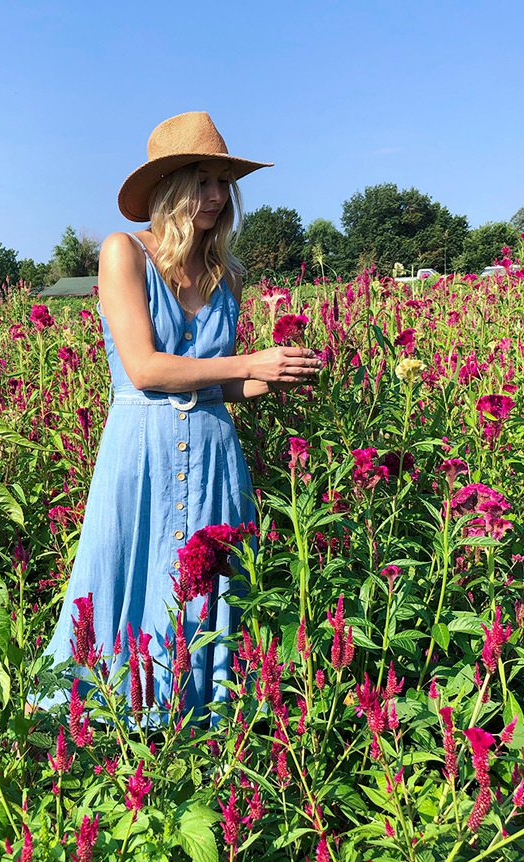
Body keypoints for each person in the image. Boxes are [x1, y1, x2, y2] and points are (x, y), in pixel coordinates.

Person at [35, 111, 321, 724]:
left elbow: (222, 382)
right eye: (202, 180)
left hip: (215, 453)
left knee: (208, 593)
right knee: (124, 575)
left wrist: (275, 376)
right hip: (142, 449)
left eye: (224, 183)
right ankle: (107, 728)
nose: (217, 196)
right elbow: (144, 368)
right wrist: (252, 360)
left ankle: (201, 731)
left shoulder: (228, 273)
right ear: (168, 188)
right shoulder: (123, 254)